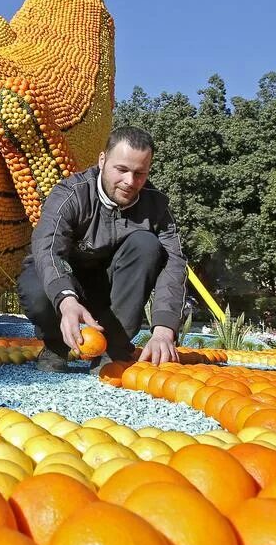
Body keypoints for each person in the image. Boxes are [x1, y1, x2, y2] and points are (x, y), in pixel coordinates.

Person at [18, 126, 186, 371]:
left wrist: (164, 329)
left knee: (147, 244)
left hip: (110, 291)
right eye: (122, 170)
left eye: (140, 173)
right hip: (65, 284)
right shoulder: (70, 194)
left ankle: (113, 349)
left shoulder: (156, 208)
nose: (130, 182)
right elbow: (48, 248)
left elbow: (174, 265)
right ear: (102, 160)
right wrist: (66, 300)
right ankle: (55, 345)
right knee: (37, 284)